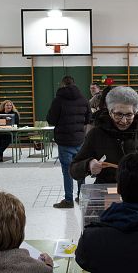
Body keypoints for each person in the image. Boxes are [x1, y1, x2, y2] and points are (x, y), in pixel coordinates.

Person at [70, 86, 138, 186]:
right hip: (106, 193)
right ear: (110, 112)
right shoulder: (96, 135)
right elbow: (73, 170)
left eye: (129, 115)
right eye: (118, 114)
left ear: (135, 113)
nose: (124, 121)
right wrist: (88, 165)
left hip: (136, 194)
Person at [47, 76, 91, 208]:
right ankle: (81, 197)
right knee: (81, 169)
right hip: (80, 140)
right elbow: (88, 119)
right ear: (74, 83)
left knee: (67, 171)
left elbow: (51, 120)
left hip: (64, 141)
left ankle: (68, 200)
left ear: (63, 84)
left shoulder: (58, 100)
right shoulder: (84, 100)